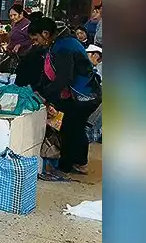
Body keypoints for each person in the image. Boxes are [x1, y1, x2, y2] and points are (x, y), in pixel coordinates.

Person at [28, 17, 102, 175]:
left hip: (84, 95)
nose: (35, 42)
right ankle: (76, 162)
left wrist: (45, 96)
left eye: (36, 38)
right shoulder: (59, 42)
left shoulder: (63, 47)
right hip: (79, 94)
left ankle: (70, 164)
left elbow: (64, 77)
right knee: (73, 127)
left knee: (72, 128)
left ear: (46, 34)